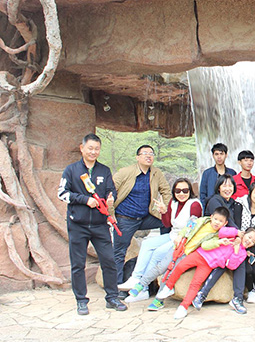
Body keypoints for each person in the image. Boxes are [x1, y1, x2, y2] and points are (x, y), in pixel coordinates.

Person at [57, 133, 127, 315]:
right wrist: (84, 200)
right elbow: (62, 193)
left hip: (100, 224)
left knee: (109, 261)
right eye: (90, 148)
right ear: (82, 148)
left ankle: (112, 297)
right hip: (77, 225)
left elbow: (112, 190)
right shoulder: (71, 170)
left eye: (97, 149)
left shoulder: (104, 170)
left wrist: (111, 198)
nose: (93, 152)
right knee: (78, 264)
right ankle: (81, 300)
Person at [122, 178, 202, 302]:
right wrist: (164, 212)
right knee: (147, 244)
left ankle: (143, 288)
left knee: (157, 253)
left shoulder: (194, 204)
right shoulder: (173, 203)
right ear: (174, 192)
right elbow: (167, 224)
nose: (181, 193)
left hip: (184, 240)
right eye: (178, 191)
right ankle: (136, 277)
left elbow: (193, 226)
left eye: (185, 190)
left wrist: (182, 236)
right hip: (172, 235)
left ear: (190, 191)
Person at [157, 225, 255, 319]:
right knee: (180, 267)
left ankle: (183, 307)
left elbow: (231, 265)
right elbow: (221, 231)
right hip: (200, 254)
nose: (249, 241)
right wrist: (236, 232)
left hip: (208, 265)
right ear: (244, 234)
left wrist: (236, 250)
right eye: (249, 237)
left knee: (196, 283)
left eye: (253, 241)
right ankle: (168, 287)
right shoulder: (232, 236)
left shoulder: (242, 253)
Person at [112, 145, 172, 286]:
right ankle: (116, 286)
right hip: (125, 218)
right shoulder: (125, 172)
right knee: (119, 252)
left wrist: (168, 210)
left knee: (167, 222)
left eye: (151, 153)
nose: (148, 156)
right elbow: (110, 189)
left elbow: (166, 191)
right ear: (137, 157)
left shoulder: (156, 173)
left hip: (146, 217)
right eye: (145, 153)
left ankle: (164, 250)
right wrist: (110, 213)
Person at [199, 143, 237, 210]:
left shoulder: (232, 173)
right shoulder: (207, 173)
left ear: (226, 155)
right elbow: (203, 194)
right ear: (213, 155)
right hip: (211, 208)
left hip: (229, 208)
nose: (219, 157)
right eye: (216, 154)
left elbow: (235, 191)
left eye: (221, 154)